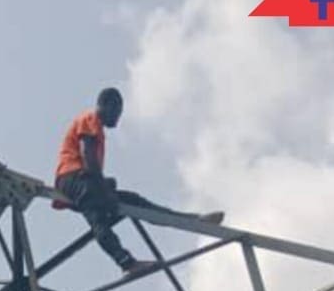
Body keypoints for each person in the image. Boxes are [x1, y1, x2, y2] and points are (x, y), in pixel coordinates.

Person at [54, 87, 223, 276]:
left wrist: (105, 187)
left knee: (132, 200)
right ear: (107, 104)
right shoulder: (90, 119)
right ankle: (127, 263)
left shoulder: (97, 128)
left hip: (81, 181)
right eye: (117, 112)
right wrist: (105, 191)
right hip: (73, 179)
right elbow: (89, 160)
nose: (117, 118)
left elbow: (92, 168)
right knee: (98, 218)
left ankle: (190, 219)